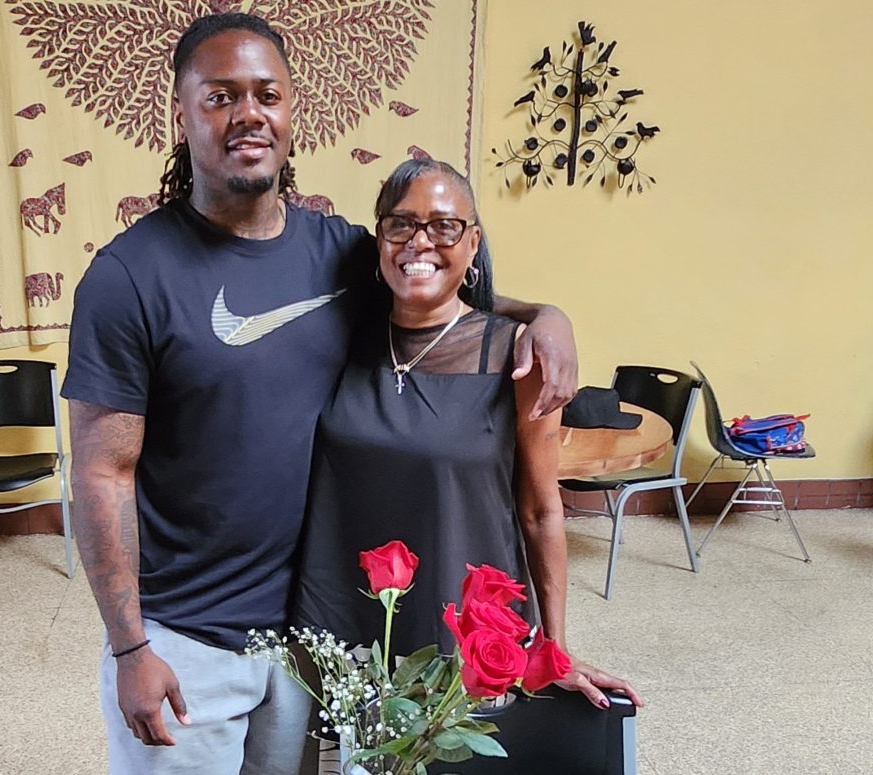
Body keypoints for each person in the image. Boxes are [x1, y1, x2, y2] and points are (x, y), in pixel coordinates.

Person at [62, 12, 579, 775]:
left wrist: (545, 316)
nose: (248, 113)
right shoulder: (128, 276)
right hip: (185, 638)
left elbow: (429, 280)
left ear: (291, 110)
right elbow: (101, 473)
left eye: (266, 93)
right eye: (220, 96)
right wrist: (130, 644)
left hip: (306, 637)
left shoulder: (337, 250)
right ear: (181, 114)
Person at [294, 158, 644, 711]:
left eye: (443, 226)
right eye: (401, 224)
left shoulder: (518, 355)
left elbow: (541, 510)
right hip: (344, 613)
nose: (419, 242)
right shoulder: (341, 336)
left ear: (473, 241)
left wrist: (555, 648)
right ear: (380, 236)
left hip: (465, 628)